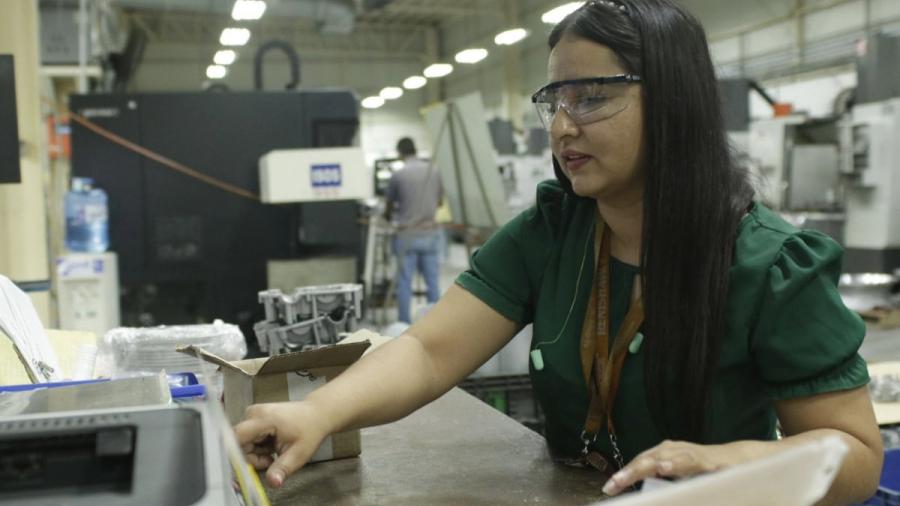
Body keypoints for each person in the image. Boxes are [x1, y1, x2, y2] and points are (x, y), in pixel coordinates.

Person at [235, 1, 883, 503]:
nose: (563, 126)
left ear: (673, 102)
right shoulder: (553, 233)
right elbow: (430, 352)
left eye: (591, 98)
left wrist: (731, 464)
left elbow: (856, 454)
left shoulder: (770, 267)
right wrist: (317, 413)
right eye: (556, 101)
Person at [383, 137, 444, 323]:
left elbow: (389, 206)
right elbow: (439, 202)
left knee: (404, 282)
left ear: (400, 153)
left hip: (407, 234)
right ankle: (436, 323)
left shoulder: (399, 175)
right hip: (430, 233)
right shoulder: (434, 171)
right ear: (415, 149)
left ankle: (404, 323)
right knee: (432, 282)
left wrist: (389, 216)